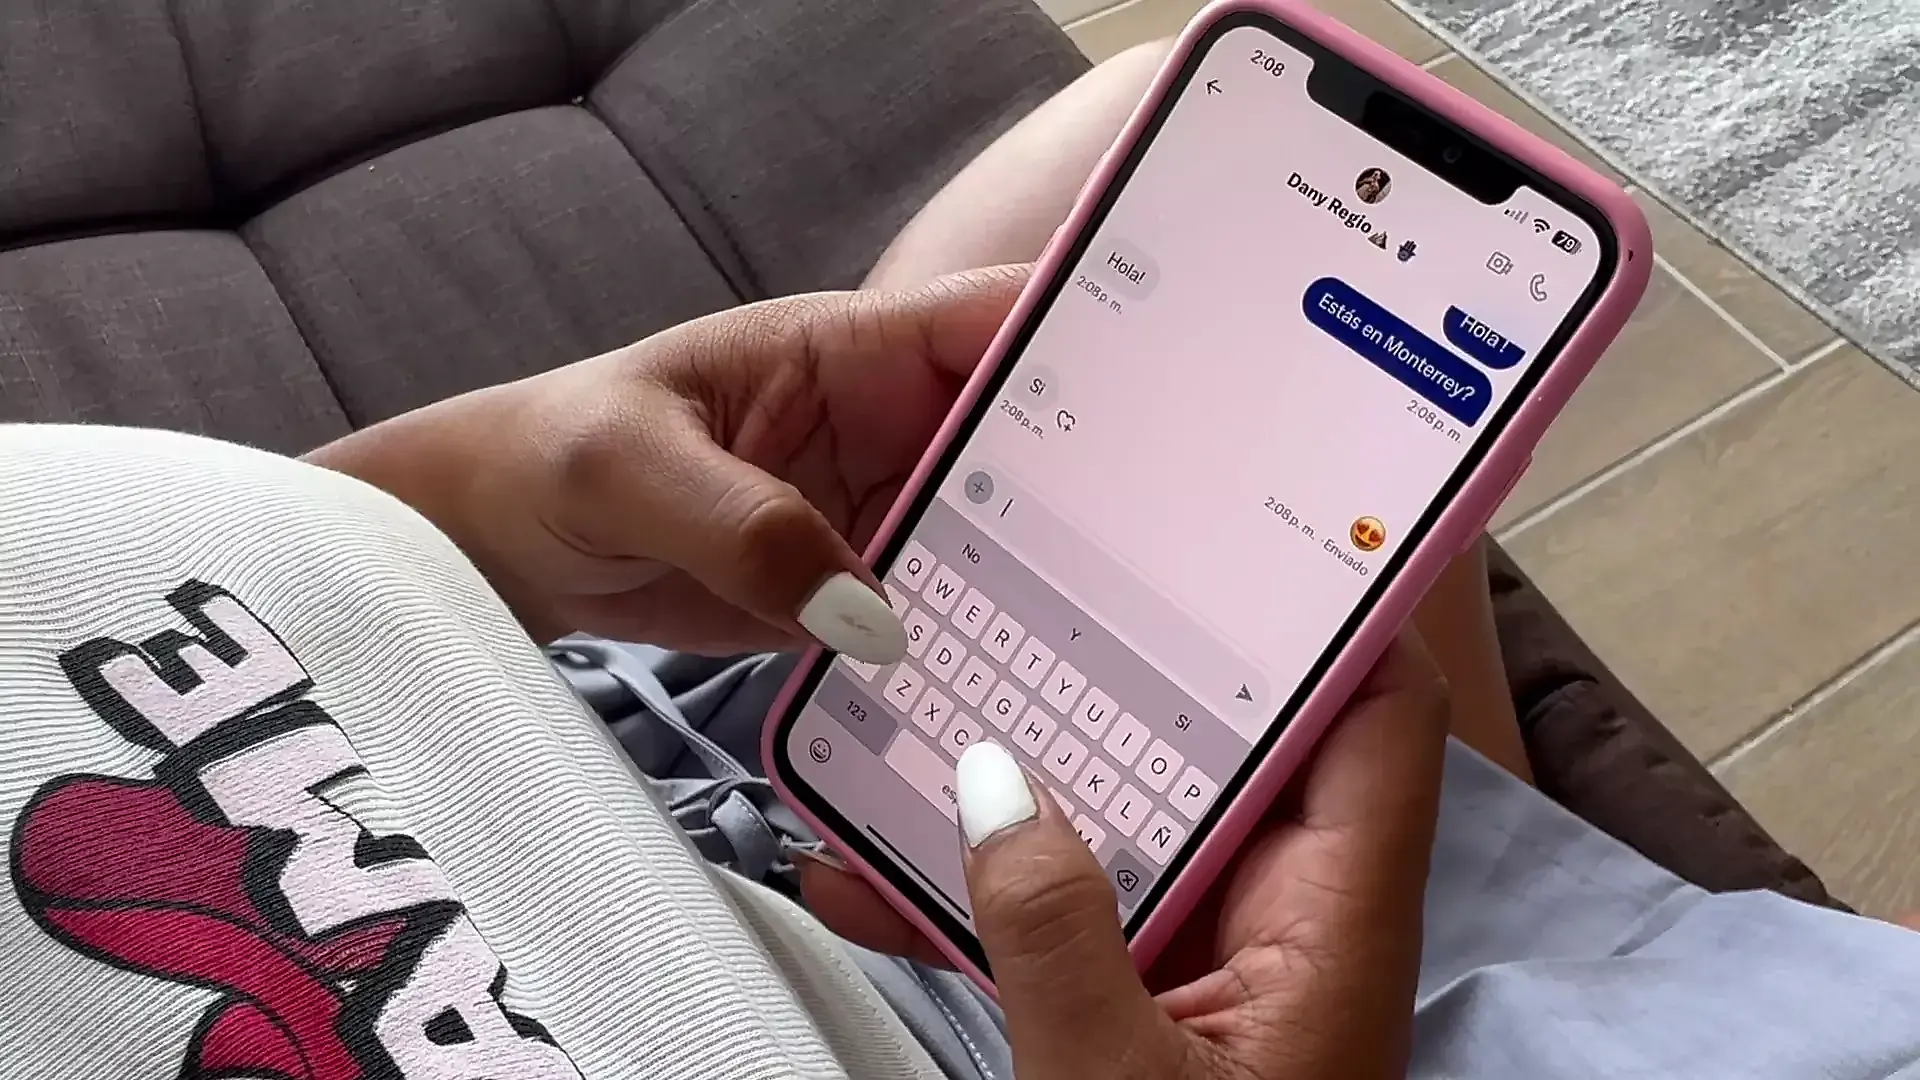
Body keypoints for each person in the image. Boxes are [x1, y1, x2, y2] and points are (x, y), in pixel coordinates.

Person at [3, 41, 1919, 1080]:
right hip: (1037, 996)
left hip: (601, 714)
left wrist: (474, 509)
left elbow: (136, 606)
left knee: (1173, 132)